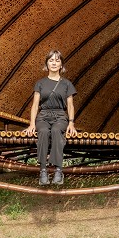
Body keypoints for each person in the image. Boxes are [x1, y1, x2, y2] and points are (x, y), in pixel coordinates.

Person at [24, 49, 77, 186]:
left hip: (60, 116)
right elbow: (35, 105)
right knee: (42, 132)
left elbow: (70, 106)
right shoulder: (40, 83)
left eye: (57, 60)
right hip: (43, 116)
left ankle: (58, 170)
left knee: (56, 131)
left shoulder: (67, 84)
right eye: (51, 60)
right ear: (47, 64)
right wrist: (32, 124)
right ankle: (43, 170)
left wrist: (71, 123)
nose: (54, 63)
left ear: (61, 65)